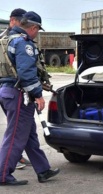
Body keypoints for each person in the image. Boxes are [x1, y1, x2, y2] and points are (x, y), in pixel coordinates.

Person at [0, 11, 60, 186]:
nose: (37, 33)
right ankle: (3, 174)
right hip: (19, 93)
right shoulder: (23, 43)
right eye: (38, 30)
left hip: (8, 91)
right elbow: (26, 73)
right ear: (33, 27)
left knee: (28, 134)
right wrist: (38, 95)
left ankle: (43, 169)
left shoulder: (6, 41)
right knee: (16, 135)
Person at [0, 8, 31, 170]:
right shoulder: (12, 39)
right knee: (15, 129)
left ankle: (19, 158)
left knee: (22, 128)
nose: (23, 24)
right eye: (20, 21)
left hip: (6, 88)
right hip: (10, 88)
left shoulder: (7, 37)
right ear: (12, 20)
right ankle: (8, 165)